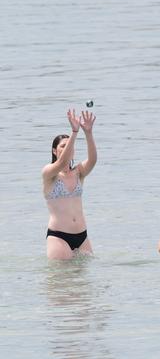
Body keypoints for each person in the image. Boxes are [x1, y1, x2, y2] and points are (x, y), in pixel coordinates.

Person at [42, 109, 97, 259]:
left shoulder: (79, 171)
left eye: (70, 146)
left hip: (82, 236)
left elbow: (92, 160)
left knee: (84, 282)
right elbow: (61, 163)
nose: (67, 148)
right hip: (59, 237)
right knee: (61, 280)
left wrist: (88, 133)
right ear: (54, 150)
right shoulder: (49, 173)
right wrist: (74, 132)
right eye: (63, 146)